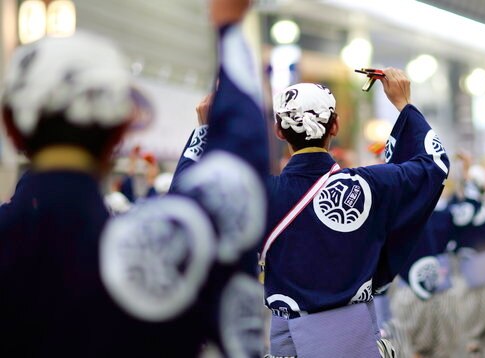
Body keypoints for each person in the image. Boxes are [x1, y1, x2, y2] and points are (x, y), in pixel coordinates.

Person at [0, 0, 268, 356]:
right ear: (121, 131)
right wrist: (229, 26)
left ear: (11, 128)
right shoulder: (147, 251)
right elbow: (237, 178)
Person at [262, 69, 449, 357]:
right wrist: (404, 105)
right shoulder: (367, 185)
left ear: (278, 131)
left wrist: (205, 132)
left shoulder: (261, 194)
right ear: (334, 126)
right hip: (352, 338)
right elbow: (434, 165)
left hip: (288, 341)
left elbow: (187, 202)